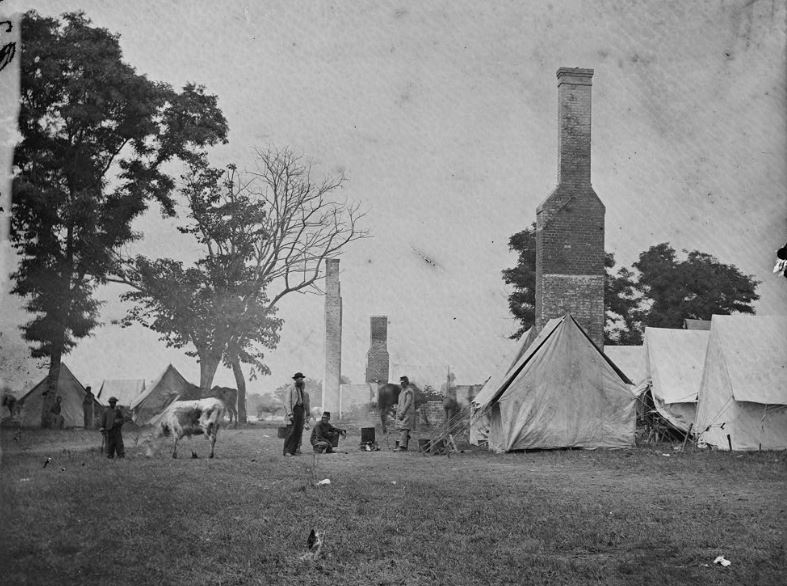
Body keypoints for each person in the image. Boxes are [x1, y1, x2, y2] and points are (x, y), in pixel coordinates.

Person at [283, 372, 310, 456]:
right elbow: (287, 402)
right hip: (293, 411)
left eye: (302, 379)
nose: (301, 380)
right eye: (299, 378)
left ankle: (293, 450)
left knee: (298, 431)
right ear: (295, 379)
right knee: (291, 431)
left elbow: (306, 403)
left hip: (300, 411)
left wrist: (307, 415)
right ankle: (287, 451)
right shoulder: (290, 388)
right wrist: (290, 414)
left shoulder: (302, 389)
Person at [394, 375, 416, 451]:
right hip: (402, 413)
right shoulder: (402, 391)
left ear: (406, 382)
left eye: (403, 382)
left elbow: (408, 403)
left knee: (404, 429)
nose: (401, 384)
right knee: (402, 429)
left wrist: (403, 412)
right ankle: (404, 445)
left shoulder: (409, 391)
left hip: (407, 413)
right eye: (400, 383)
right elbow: (400, 403)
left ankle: (402, 447)